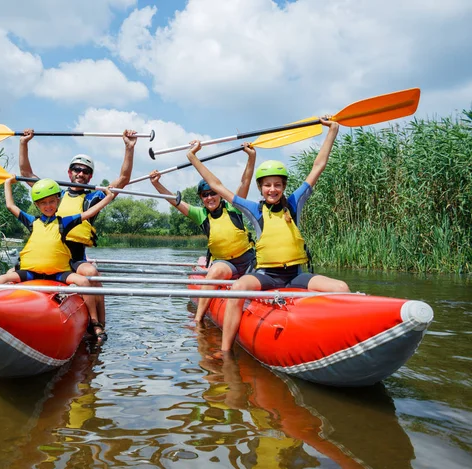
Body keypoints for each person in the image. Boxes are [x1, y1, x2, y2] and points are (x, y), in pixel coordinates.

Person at [186, 118, 350, 358]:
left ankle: (336, 342)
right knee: (238, 289)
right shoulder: (253, 209)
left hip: (296, 274)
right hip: (266, 276)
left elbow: (317, 167)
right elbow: (217, 185)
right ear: (260, 189)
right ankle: (225, 350)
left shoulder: (294, 203)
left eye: (277, 185)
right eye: (267, 185)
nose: (272, 189)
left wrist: (332, 132)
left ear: (283, 187)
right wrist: (193, 158)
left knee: (342, 288)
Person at [18, 128, 138, 337]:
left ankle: (98, 324)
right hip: (46, 254)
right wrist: (24, 143)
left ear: (90, 176)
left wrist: (128, 148)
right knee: (12, 273)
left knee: (91, 273)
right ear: (69, 172)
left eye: (85, 171)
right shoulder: (53, 194)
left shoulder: (93, 199)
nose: (80, 174)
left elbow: (123, 179)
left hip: (74, 256)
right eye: (76, 169)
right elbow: (27, 175)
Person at [0, 177, 115, 342]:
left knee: (84, 283)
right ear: (37, 205)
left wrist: (108, 196)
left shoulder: (64, 222)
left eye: (52, 201)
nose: (48, 206)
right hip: (32, 273)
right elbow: (11, 206)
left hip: (58, 273)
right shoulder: (32, 222)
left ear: (58, 201)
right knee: (2, 279)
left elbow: (89, 213)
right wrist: (7, 183)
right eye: (43, 203)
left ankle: (94, 322)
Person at [149, 143, 257, 322]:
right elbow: (174, 201)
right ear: (201, 198)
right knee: (214, 272)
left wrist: (251, 157)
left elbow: (245, 181)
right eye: (205, 195)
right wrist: (156, 184)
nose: (209, 198)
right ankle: (198, 321)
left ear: (220, 194)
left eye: (212, 193)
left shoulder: (234, 206)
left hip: (247, 261)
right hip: (225, 264)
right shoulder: (200, 215)